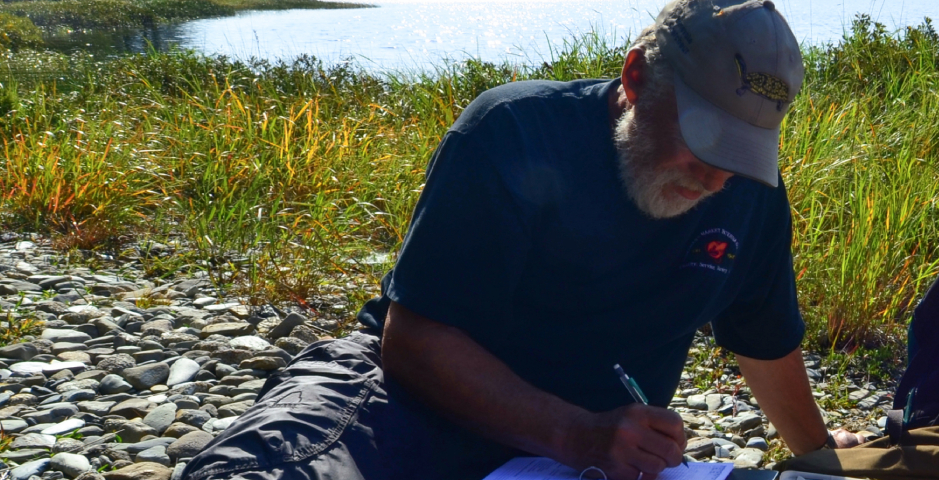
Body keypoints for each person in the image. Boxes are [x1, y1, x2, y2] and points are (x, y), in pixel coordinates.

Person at [181, 1, 859, 478]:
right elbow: (411, 340)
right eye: (702, 140)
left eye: (739, 156)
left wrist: (821, 453)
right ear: (635, 77)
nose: (714, 177)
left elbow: (765, 345)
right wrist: (575, 432)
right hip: (409, 406)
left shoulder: (747, 199)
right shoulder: (512, 134)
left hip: (584, 462)